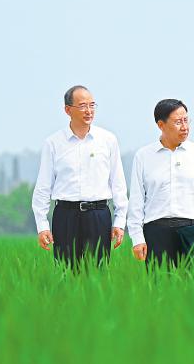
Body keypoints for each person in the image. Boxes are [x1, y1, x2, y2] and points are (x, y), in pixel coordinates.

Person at [31, 85, 128, 270]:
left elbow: (118, 184)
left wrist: (120, 221)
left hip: (98, 214)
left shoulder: (107, 140)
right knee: (66, 272)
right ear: (68, 110)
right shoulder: (53, 143)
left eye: (92, 105)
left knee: (98, 273)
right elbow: (43, 186)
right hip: (66, 215)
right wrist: (42, 225)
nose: (89, 111)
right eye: (83, 106)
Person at [127, 99, 194, 271]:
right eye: (178, 122)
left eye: (186, 120)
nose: (184, 127)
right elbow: (136, 201)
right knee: (159, 284)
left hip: (192, 231)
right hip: (156, 232)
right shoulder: (144, 156)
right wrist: (137, 238)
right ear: (161, 125)